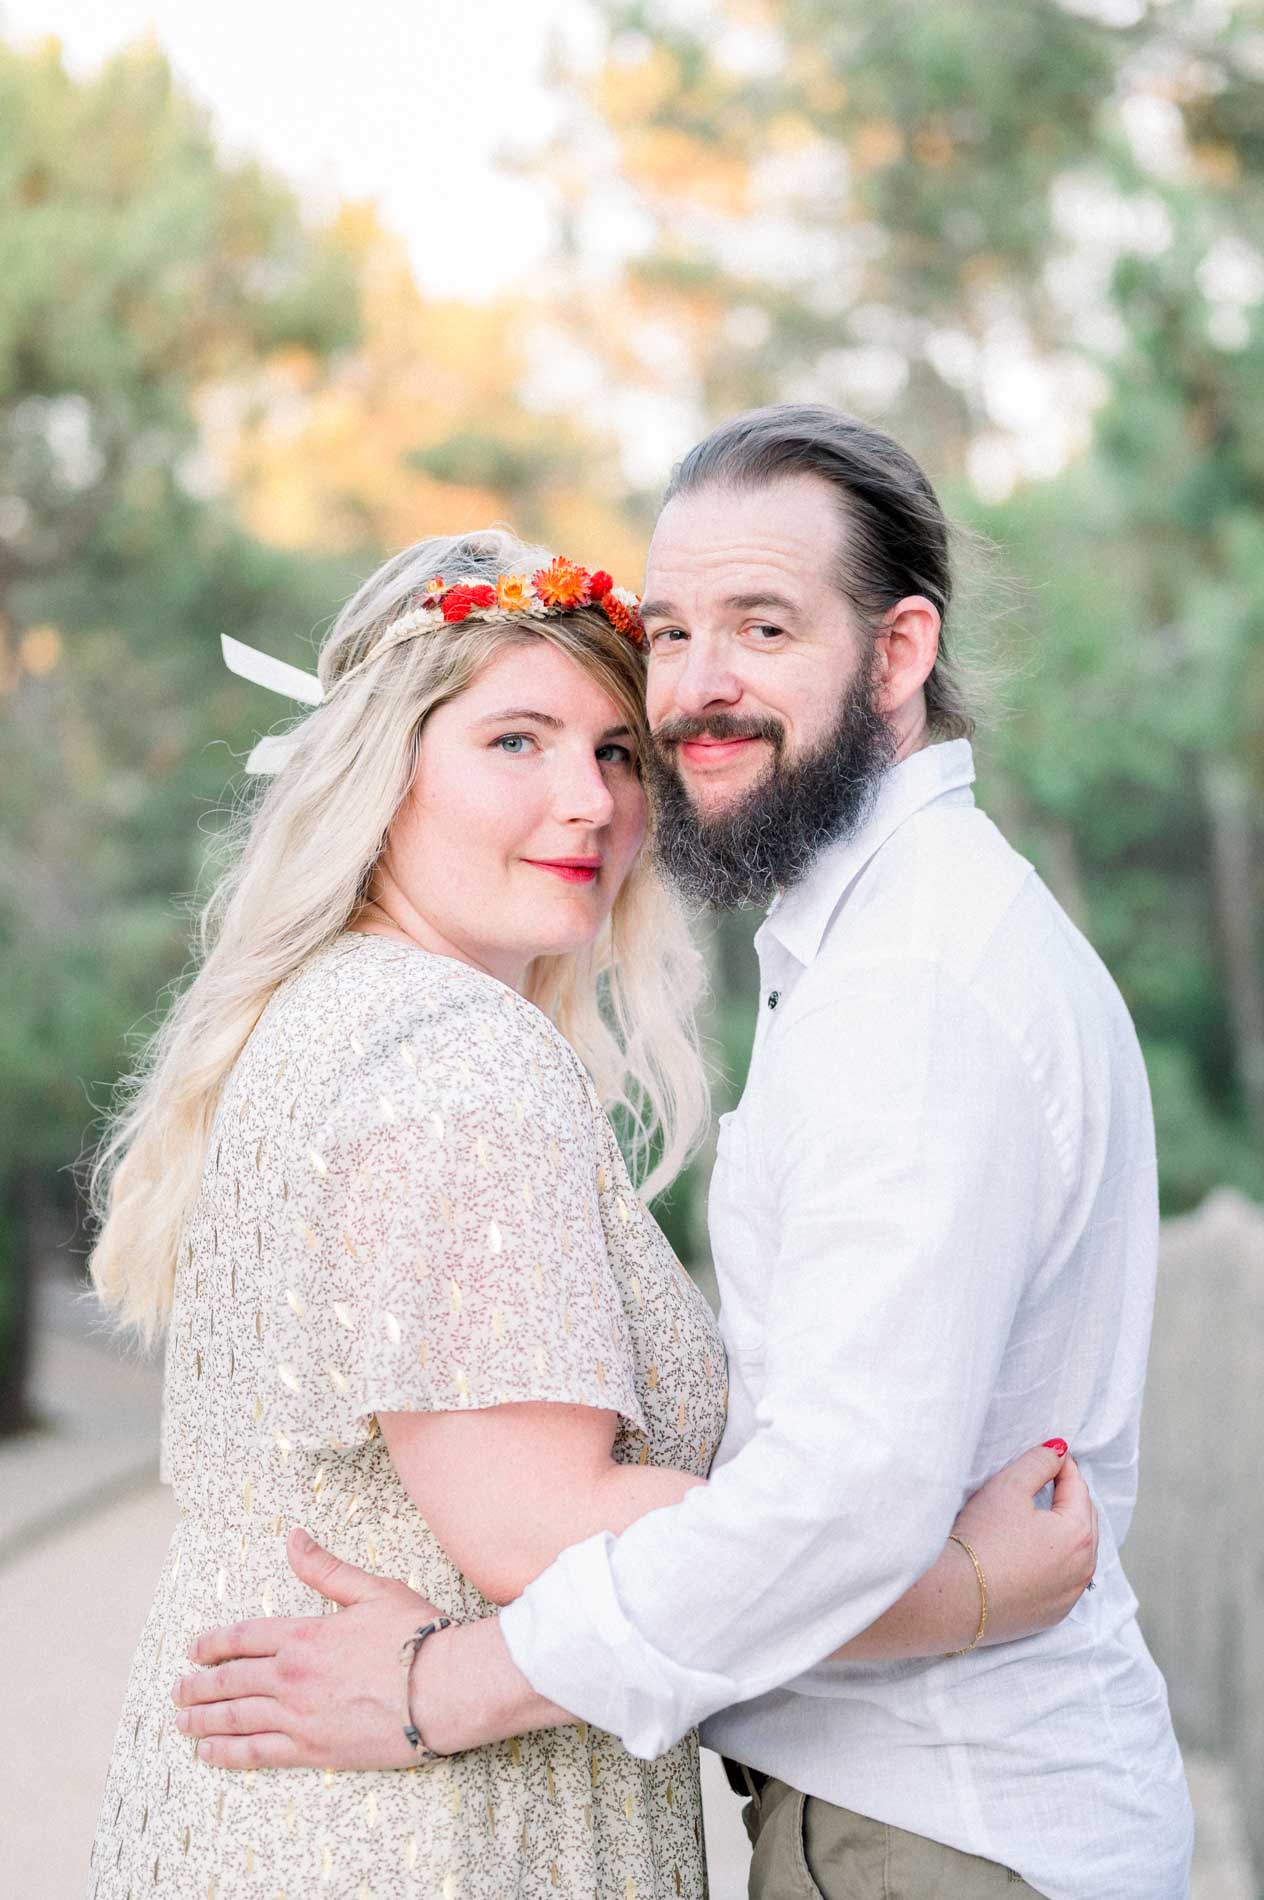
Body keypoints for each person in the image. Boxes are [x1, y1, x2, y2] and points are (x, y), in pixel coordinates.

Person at [179, 410, 1194, 1900]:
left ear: (899, 656)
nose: (692, 695)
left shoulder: (912, 982)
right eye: (670, 634)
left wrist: (434, 1689)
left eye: (764, 627)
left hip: (946, 1824)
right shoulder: (830, 962)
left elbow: (842, 1501)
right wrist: (960, 1582)